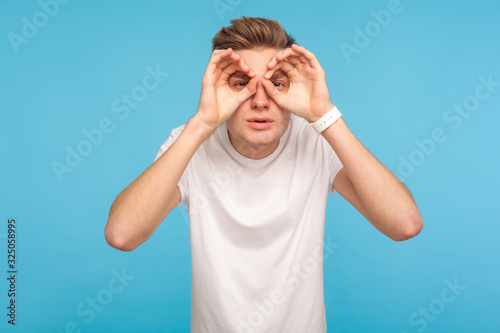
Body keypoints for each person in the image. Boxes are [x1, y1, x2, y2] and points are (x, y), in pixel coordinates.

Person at [105, 16, 423, 333]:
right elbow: (122, 235)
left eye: (276, 85)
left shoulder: (316, 139)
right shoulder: (191, 143)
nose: (259, 101)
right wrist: (201, 124)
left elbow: (404, 224)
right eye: (242, 84)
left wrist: (325, 116)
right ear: (218, 89)